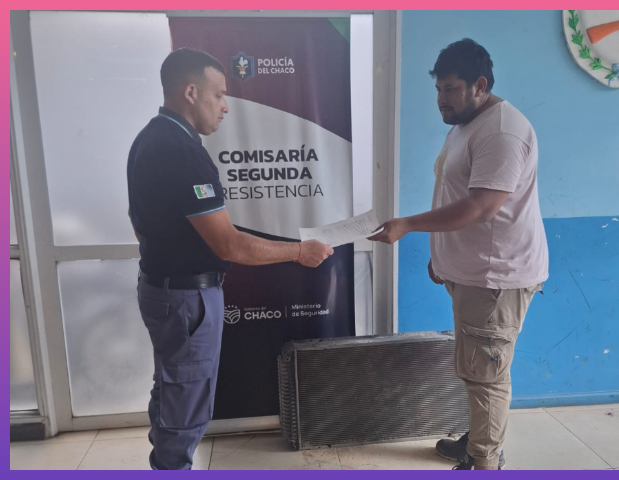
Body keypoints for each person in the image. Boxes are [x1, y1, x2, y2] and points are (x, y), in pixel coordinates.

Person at [127, 48, 333, 470]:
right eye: (219, 94)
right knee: (186, 403)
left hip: (162, 288)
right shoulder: (181, 151)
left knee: (171, 388)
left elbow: (138, 220)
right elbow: (229, 245)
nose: (225, 107)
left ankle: (165, 461)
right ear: (190, 92)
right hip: (186, 299)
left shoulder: (149, 137)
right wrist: (300, 251)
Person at [369, 38, 548, 470]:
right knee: (476, 366)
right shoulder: (467, 123)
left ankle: (483, 460)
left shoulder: (502, 131)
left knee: (486, 375)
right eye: (437, 89)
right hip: (475, 274)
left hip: (495, 279)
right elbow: (455, 193)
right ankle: (481, 439)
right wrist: (442, 256)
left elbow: (480, 207)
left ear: (479, 85)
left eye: (450, 89)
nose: (440, 100)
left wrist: (407, 225)